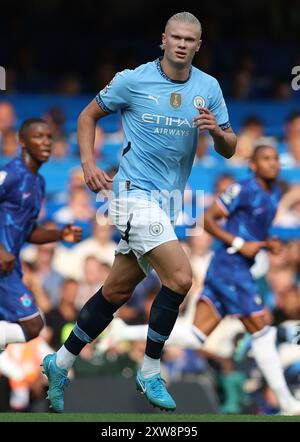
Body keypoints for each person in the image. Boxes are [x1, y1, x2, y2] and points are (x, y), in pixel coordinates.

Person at [42, 11, 236, 413]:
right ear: (163, 39)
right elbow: (87, 116)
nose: (182, 44)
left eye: (190, 40)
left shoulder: (209, 88)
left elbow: (230, 147)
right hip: (130, 195)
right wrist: (88, 164)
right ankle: (150, 371)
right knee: (180, 277)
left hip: (169, 205)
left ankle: (59, 362)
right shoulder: (133, 80)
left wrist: (218, 132)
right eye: (176, 37)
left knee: (115, 292)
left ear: (199, 46)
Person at [101, 144, 300, 415]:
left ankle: (124, 331)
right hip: (231, 268)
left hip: (236, 268)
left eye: (276, 158)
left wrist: (266, 244)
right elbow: (207, 218)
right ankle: (287, 403)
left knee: (196, 335)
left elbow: (251, 232)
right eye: (266, 158)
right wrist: (241, 244)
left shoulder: (273, 194)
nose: (273, 163)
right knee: (262, 329)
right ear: (252, 164)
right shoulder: (243, 189)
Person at [0, 118, 82, 353]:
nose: (46, 142)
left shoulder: (38, 183)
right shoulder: (12, 174)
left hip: (9, 267)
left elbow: (28, 230)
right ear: (22, 142)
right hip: (3, 269)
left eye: (49, 137)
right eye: (38, 137)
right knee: (33, 324)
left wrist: (59, 233)